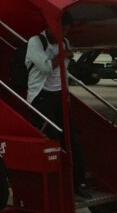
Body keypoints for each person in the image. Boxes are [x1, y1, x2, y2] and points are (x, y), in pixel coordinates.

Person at [26, 12, 88, 197]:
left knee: (71, 141)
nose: (64, 34)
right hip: (41, 97)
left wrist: (66, 94)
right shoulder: (36, 42)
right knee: (52, 139)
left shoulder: (65, 42)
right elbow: (45, 67)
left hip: (59, 96)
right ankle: (56, 186)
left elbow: (64, 72)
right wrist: (64, 54)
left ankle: (75, 183)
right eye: (62, 29)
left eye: (67, 30)